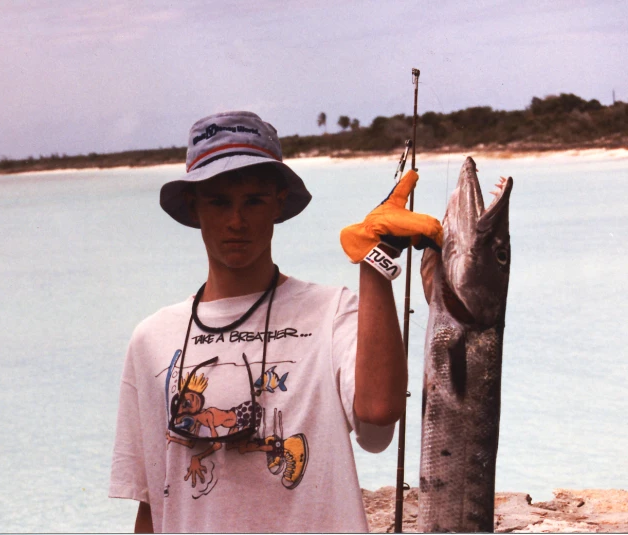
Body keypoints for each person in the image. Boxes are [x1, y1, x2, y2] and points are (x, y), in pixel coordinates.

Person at [108, 110, 442, 532]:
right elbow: (152, 501)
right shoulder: (151, 338)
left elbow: (378, 410)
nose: (236, 220)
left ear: (278, 201)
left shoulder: (332, 312)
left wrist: (374, 264)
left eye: (253, 200)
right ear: (194, 207)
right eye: (218, 201)